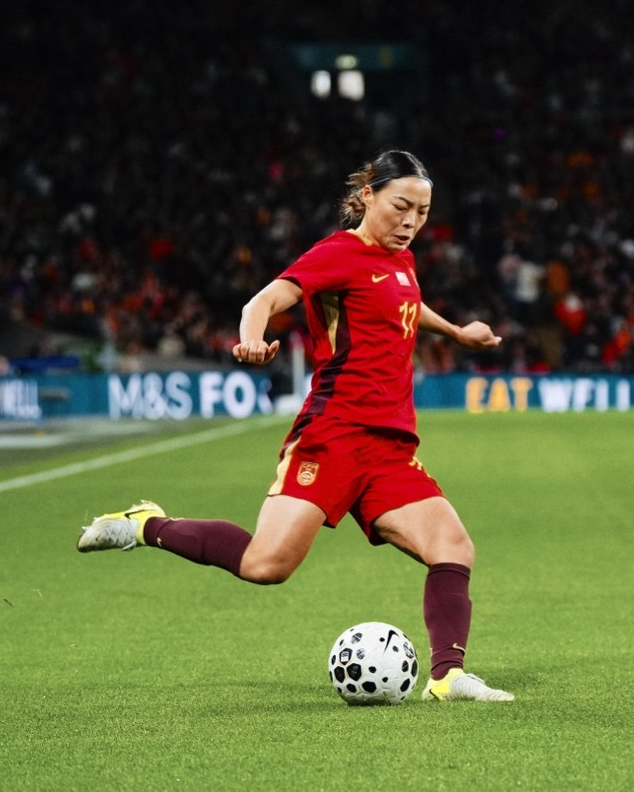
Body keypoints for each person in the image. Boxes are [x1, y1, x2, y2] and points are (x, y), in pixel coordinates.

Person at [77, 149, 515, 702]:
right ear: (367, 197)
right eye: (402, 207)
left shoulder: (400, 260)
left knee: (452, 545)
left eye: (422, 213)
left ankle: (447, 677)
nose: (411, 222)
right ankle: (147, 526)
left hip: (388, 448)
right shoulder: (339, 253)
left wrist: (455, 332)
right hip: (332, 436)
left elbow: (405, 305)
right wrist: (252, 338)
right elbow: (266, 298)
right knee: (266, 565)